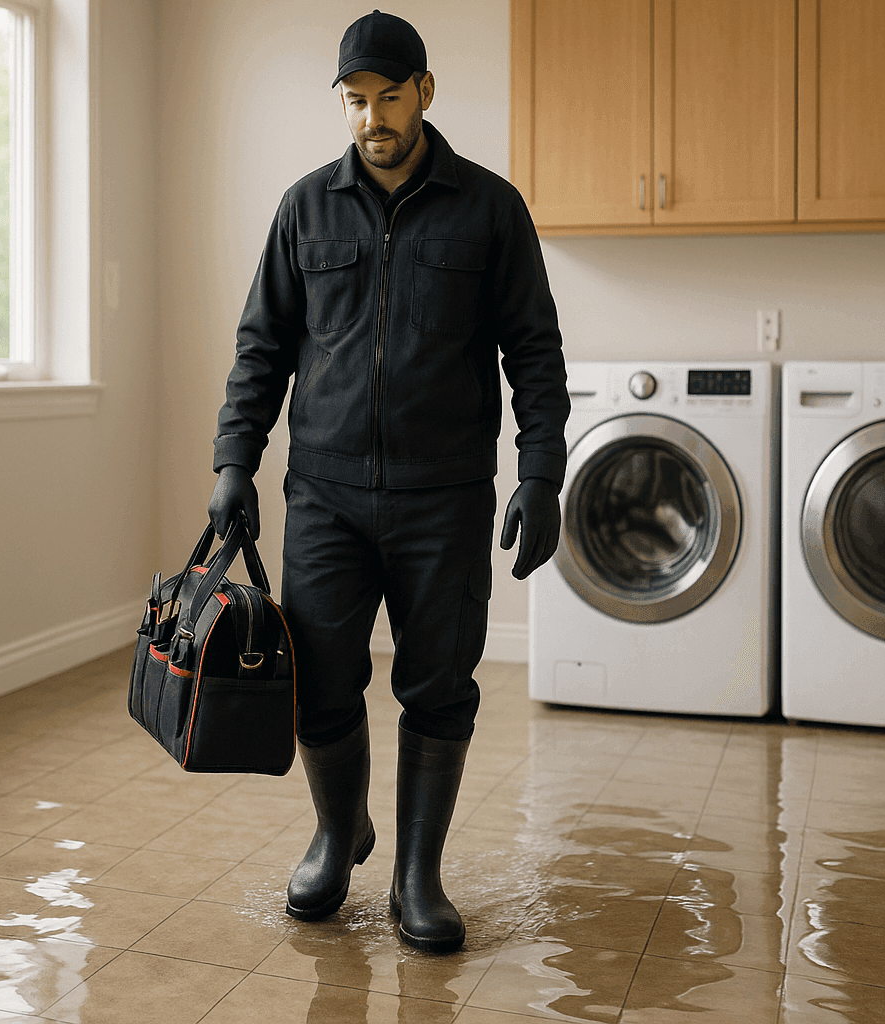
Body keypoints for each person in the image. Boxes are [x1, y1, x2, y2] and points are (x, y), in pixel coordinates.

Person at [207, 9, 569, 953]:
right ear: (340, 102)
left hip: (444, 497)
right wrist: (233, 464)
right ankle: (337, 835)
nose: (373, 116)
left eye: (390, 97)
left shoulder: (490, 209)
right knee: (321, 684)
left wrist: (540, 471)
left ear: (425, 93)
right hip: (323, 494)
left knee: (438, 685)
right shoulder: (302, 209)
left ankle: (418, 874)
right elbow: (261, 350)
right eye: (356, 101)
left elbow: (535, 352)